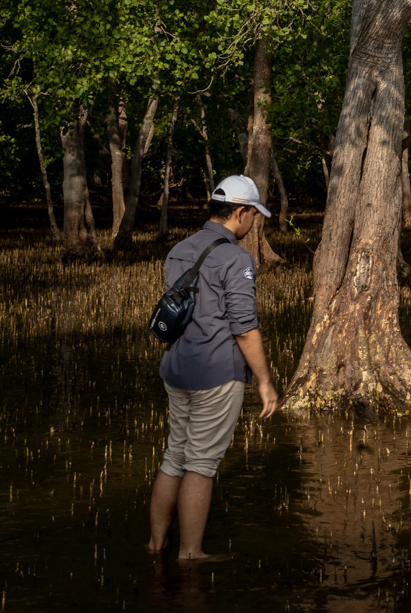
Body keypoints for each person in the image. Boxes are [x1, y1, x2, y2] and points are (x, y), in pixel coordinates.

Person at [147, 175, 281, 560]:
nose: (254, 222)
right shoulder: (236, 258)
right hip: (215, 375)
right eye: (253, 215)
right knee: (201, 465)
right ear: (240, 212)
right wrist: (265, 381)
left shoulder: (179, 249)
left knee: (175, 456)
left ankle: (156, 544)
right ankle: (190, 554)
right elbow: (244, 328)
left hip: (175, 369)